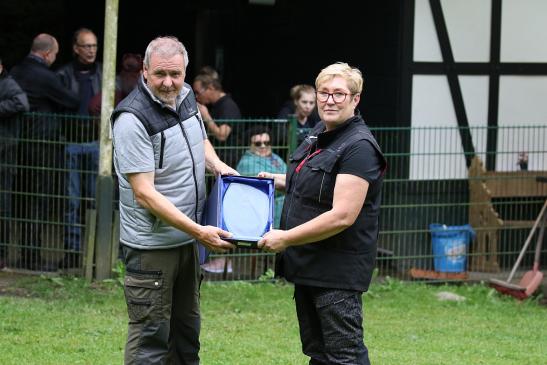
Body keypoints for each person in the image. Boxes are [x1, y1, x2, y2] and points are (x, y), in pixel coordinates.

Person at [111, 36, 237, 364]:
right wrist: (199, 232)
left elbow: (200, 140)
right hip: (153, 246)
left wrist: (220, 167)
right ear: (145, 71)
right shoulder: (131, 119)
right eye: (160, 75)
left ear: (185, 72)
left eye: (176, 74)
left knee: (186, 333)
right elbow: (144, 193)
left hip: (186, 241)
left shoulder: (186, 97)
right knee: (151, 339)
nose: (169, 83)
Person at [258, 62, 387, 365]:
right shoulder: (320, 132)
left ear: (355, 99)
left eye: (339, 94)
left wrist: (286, 238)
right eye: (324, 93)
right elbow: (321, 183)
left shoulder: (359, 147)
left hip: (336, 271)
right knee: (320, 353)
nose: (329, 100)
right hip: (311, 264)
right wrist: (278, 181)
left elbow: (343, 214)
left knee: (345, 354)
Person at [11, 33, 79, 270]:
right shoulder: (46, 76)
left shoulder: (16, 71)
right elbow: (72, 100)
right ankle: (32, 257)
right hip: (42, 144)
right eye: (56, 54)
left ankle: (23, 251)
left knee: (22, 199)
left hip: (18, 143)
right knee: (40, 199)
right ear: (48, 53)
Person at [56, 27, 102, 268]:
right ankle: (72, 251)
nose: (92, 50)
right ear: (76, 48)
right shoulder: (63, 74)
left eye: (94, 45)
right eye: (87, 46)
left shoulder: (103, 73)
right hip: (71, 144)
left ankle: (95, 251)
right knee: (71, 200)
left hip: (96, 144)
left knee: (96, 199)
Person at [0, 57, 30, 269]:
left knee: (3, 206)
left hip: (4, 155)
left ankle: (1, 254)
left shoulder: (8, 84)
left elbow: (22, 103)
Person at [192, 73, 242, 164]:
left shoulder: (228, 106)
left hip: (228, 160)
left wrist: (206, 115)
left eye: (198, 92)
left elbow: (222, 135)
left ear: (211, 88)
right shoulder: (215, 105)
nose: (196, 97)